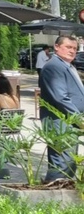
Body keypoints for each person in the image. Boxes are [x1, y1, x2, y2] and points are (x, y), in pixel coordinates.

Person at [39, 35, 84, 182]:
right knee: (62, 163)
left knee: (69, 162)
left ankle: (61, 192)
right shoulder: (54, 67)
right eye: (68, 47)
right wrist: (79, 119)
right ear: (57, 47)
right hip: (59, 122)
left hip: (69, 122)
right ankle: (52, 191)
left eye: (75, 48)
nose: (72, 51)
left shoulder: (67, 66)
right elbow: (60, 97)